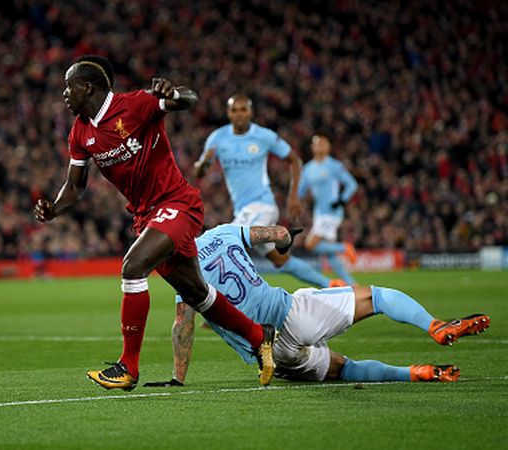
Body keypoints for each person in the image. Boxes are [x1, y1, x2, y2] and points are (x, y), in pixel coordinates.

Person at [34, 55, 276, 391]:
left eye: (68, 86)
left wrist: (174, 94)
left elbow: (189, 100)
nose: (64, 93)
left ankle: (128, 367)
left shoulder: (135, 105)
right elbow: (75, 187)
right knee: (196, 293)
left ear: (87, 87)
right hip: (146, 215)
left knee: (132, 266)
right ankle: (258, 334)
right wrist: (54, 208)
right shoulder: (80, 132)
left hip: (177, 204)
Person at [143, 224, 490, 387]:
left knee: (343, 368)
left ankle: (415, 374)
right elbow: (275, 235)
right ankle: (434, 325)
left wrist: (178, 378)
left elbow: (182, 326)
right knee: (377, 297)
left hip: (273, 354)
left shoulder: (183, 275)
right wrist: (286, 236)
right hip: (291, 313)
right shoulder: (224, 232)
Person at [193, 94, 349, 288]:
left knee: (227, 243)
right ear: (228, 113)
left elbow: (294, 160)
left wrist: (293, 196)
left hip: (262, 205)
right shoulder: (217, 138)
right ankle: (332, 284)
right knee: (281, 260)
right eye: (234, 110)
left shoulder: (263, 136)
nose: (239, 114)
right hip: (243, 210)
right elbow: (198, 171)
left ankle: (224, 310)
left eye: (243, 109)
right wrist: (204, 162)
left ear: (250, 112)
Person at [298, 132, 360, 286]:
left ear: (328, 147)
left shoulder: (334, 166)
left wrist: (341, 201)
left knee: (310, 244)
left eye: (322, 143)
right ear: (312, 147)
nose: (319, 146)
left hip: (331, 213)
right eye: (316, 144)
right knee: (329, 254)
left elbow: (352, 184)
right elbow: (300, 190)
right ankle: (352, 285)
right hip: (319, 213)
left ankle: (345, 247)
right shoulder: (308, 169)